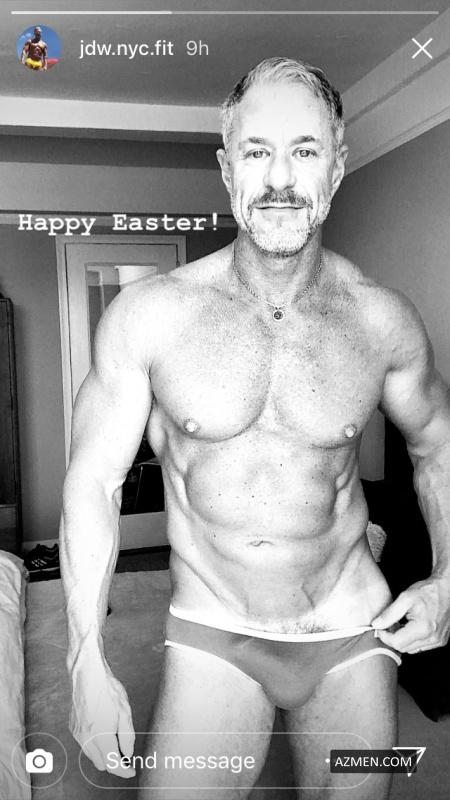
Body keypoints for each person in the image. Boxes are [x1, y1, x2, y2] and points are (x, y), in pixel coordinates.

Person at [60, 57, 450, 799]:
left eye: (304, 151)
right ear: (225, 167)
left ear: (337, 168)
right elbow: (93, 483)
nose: (279, 179)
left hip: (353, 630)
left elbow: (439, 448)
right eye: (256, 151)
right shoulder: (150, 317)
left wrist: (448, 580)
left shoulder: (384, 321)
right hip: (211, 629)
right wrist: (83, 660)